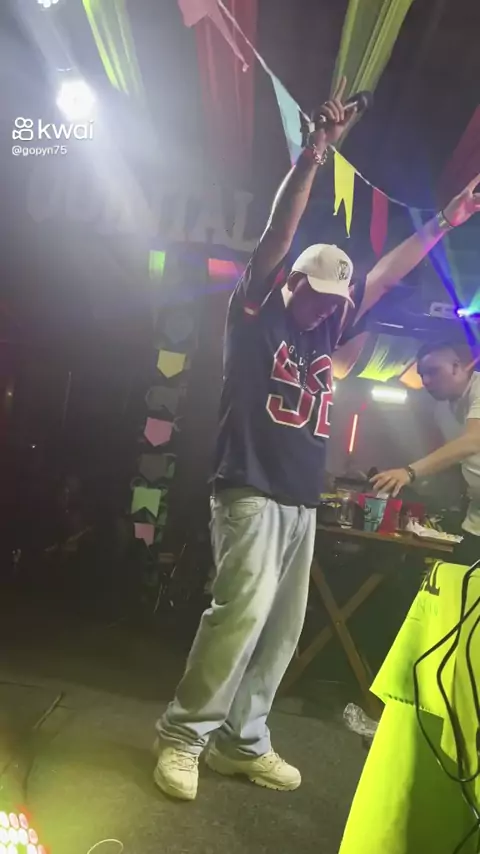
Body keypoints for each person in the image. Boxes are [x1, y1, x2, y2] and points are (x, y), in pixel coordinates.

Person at [154, 78, 480, 801]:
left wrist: (444, 223)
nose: (328, 309)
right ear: (291, 284)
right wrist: (312, 158)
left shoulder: (327, 330)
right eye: (318, 296)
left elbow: (384, 275)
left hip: (300, 498)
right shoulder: (255, 314)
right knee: (238, 615)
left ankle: (242, 741)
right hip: (248, 487)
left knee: (281, 627)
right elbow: (277, 235)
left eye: (337, 300)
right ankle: (184, 735)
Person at [372, 341, 480, 565]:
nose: (426, 381)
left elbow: (473, 441)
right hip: (475, 520)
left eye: (433, 371)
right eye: (422, 375)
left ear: (456, 366)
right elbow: (458, 460)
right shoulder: (443, 410)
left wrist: (409, 472)